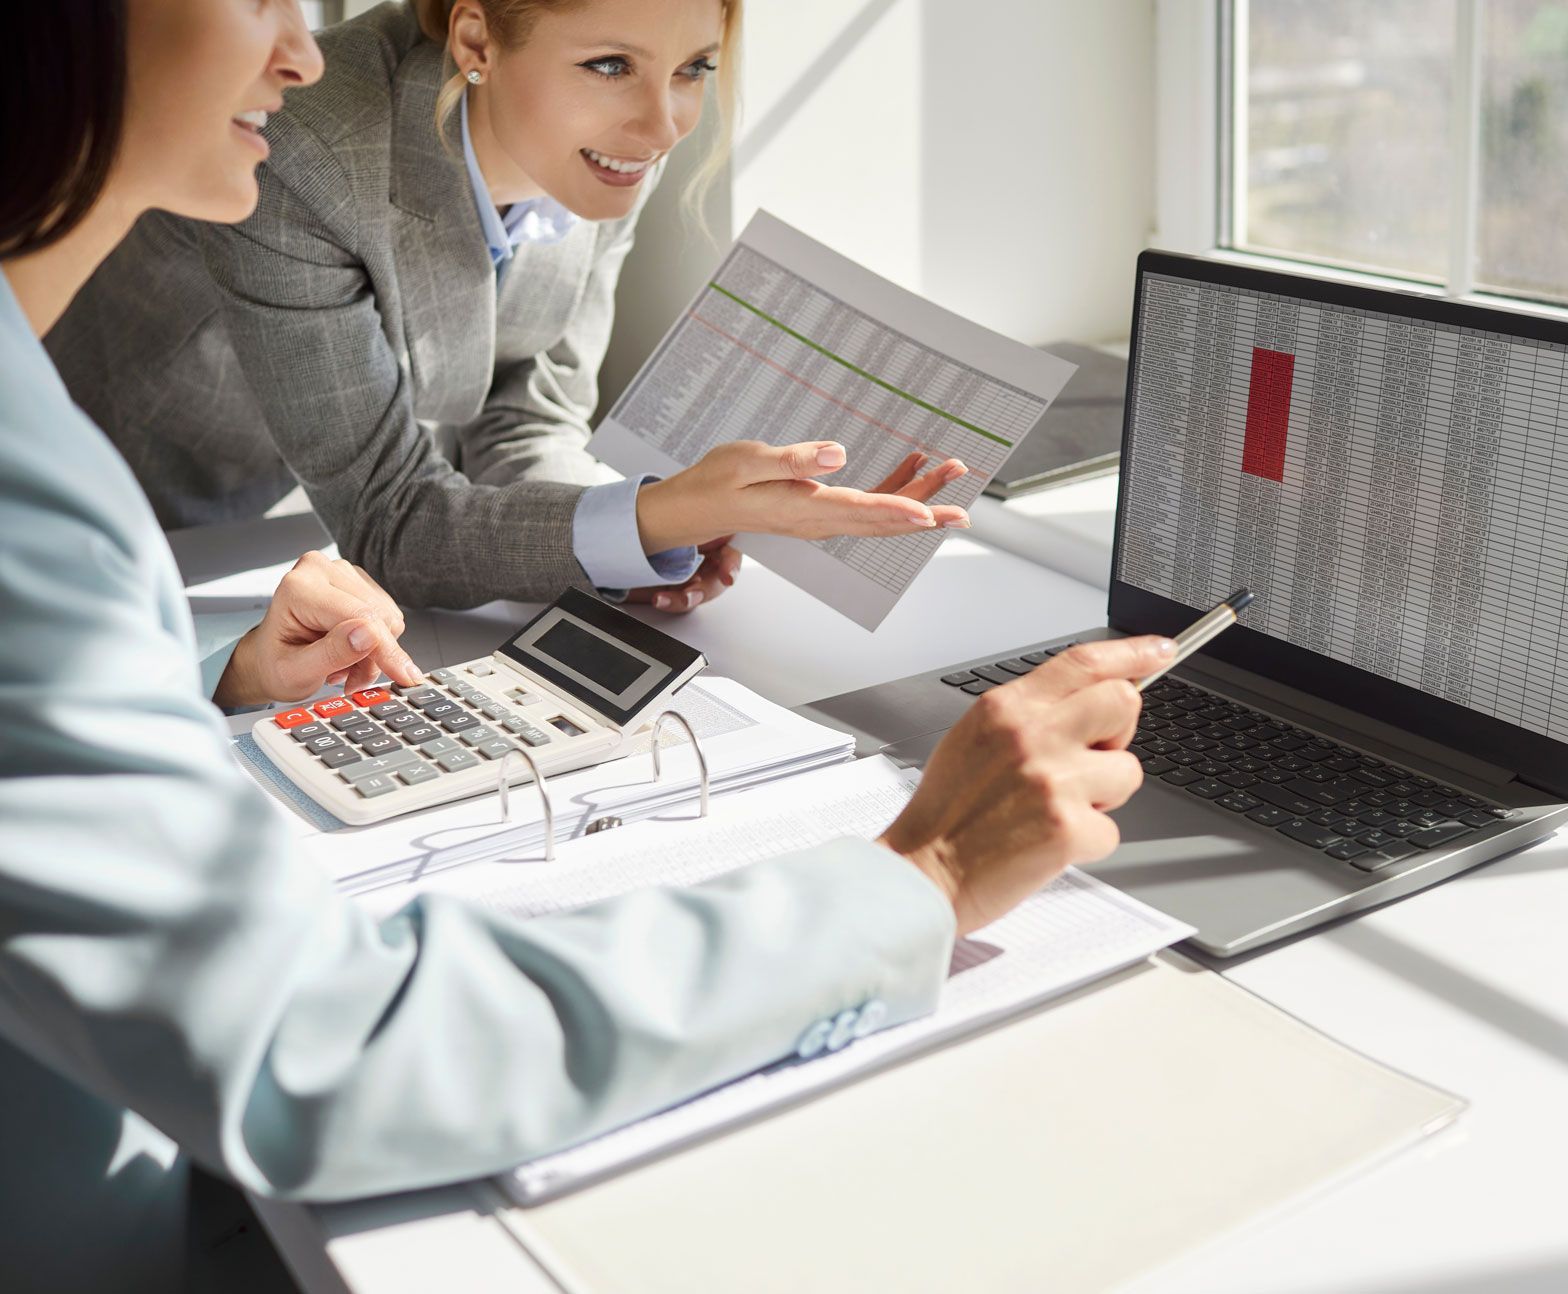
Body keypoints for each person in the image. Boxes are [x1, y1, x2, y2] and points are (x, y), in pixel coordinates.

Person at [0, 1, 1166, 1288]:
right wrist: (927, 875)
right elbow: (318, 1044)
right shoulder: (45, 481)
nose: (304, 47)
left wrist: (212, 668)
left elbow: (529, 407)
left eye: (695, 72)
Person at [48, 0, 970, 614]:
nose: (662, 126)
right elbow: (389, 522)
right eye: (610, 65)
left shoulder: (610, 141)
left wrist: (641, 533)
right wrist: (649, 520)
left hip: (283, 509)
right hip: (124, 494)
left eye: (692, 67)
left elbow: (526, 409)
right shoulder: (310, 148)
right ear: (477, 42)